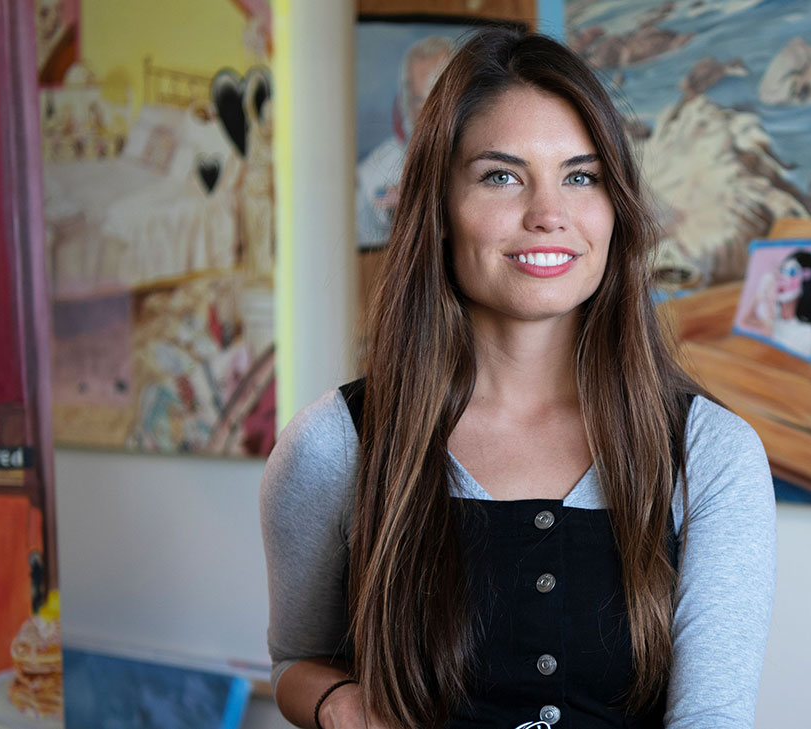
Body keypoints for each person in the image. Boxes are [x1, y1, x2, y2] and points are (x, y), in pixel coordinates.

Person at [262, 29, 776, 729]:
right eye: (501, 175)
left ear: (615, 208)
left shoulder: (713, 453)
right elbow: (296, 658)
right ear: (439, 210)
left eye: (581, 175)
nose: (548, 214)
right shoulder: (333, 443)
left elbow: (711, 717)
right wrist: (341, 703)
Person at [355, 35, 457, 247]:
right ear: (403, 99)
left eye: (434, 99)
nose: (423, 113)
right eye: (416, 99)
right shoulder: (372, 172)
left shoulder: (484, 157)